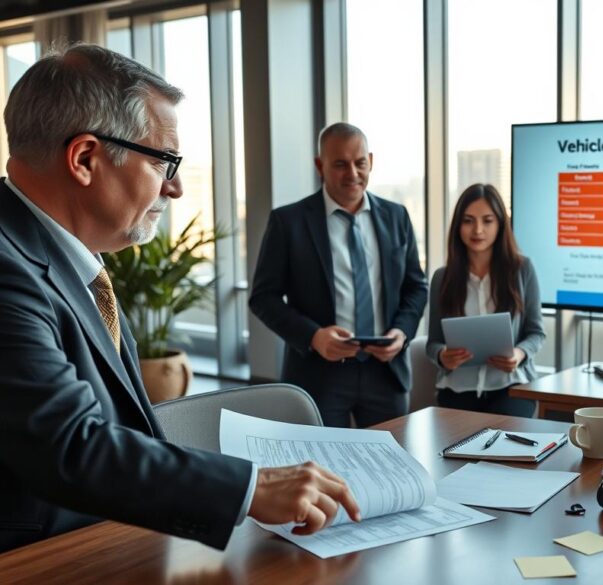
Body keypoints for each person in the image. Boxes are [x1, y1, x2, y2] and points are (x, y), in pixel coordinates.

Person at [0, 44, 359, 553]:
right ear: (84, 158)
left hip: (115, 546)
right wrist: (251, 487)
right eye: (164, 162)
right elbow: (70, 445)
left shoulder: (66, 256)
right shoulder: (6, 268)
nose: (174, 190)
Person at [249, 123, 427, 428]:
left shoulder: (397, 216)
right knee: (324, 469)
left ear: (370, 161)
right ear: (320, 165)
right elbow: (263, 298)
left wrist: (401, 332)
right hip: (319, 375)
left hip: (386, 372)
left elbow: (416, 287)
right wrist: (314, 337)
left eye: (360, 163)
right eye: (340, 164)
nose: (353, 174)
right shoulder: (288, 222)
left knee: (392, 467)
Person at [426, 183, 545, 416]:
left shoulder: (522, 269)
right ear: (458, 226)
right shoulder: (442, 278)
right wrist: (443, 356)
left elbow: (536, 333)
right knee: (453, 449)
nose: (477, 230)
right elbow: (433, 344)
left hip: (511, 385)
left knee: (505, 449)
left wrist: (518, 355)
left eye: (487, 220)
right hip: (457, 388)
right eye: (468, 220)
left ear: (500, 224)